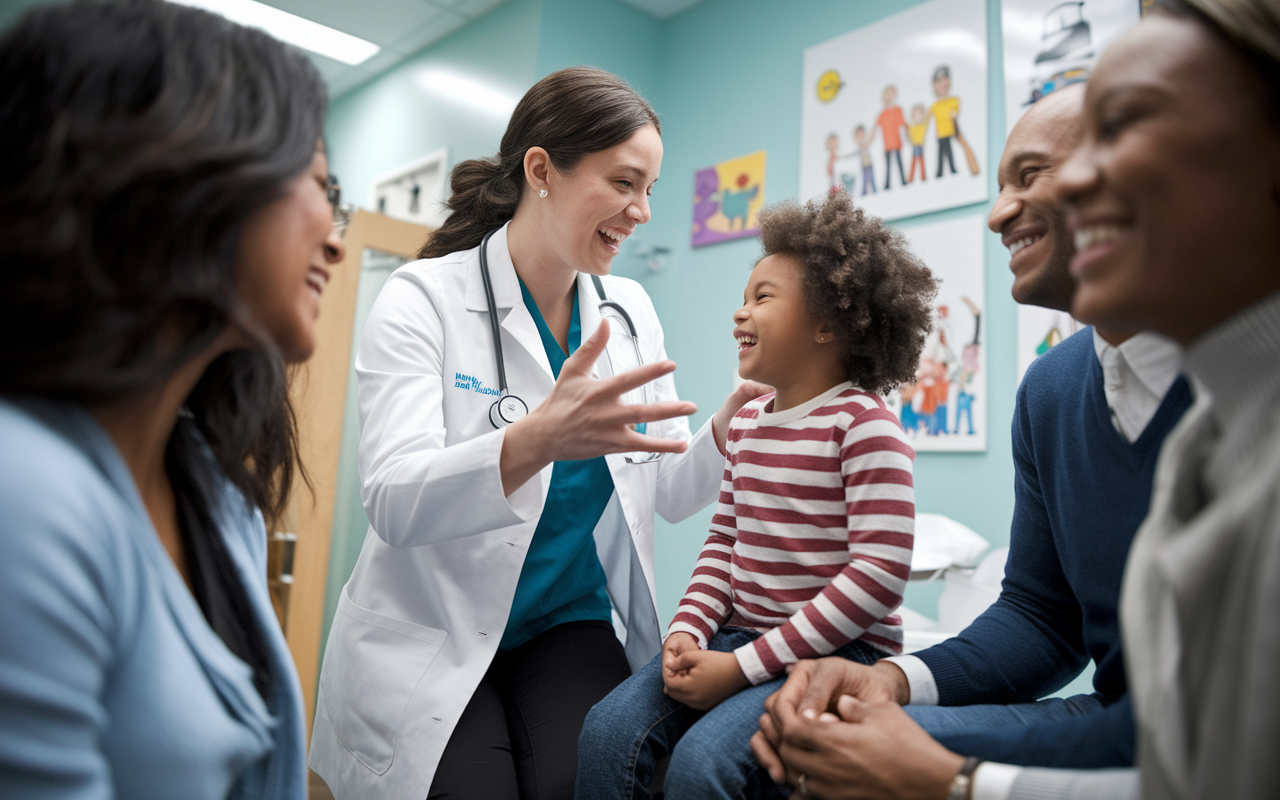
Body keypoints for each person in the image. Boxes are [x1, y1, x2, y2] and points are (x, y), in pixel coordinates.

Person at [308, 67, 768, 799]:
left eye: (650, 188)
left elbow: (668, 488)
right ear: (541, 170)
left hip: (565, 621)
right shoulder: (423, 298)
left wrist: (728, 424)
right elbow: (392, 499)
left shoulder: (629, 308)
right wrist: (536, 442)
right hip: (431, 626)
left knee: (594, 777)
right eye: (624, 183)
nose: (642, 210)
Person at [750, 79, 1192, 799]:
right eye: (996, 185)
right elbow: (1043, 615)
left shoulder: (1241, 380)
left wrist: (955, 780)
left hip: (1207, 743)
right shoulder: (1050, 392)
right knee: (798, 743)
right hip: (1120, 720)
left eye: (1030, 175)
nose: (997, 215)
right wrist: (888, 679)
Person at [0, 1, 343, 797]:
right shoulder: (26, 493)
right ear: (189, 180)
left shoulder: (216, 489)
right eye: (319, 186)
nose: (334, 235)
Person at [576, 191, 937, 800]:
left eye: (762, 299)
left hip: (837, 652)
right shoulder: (746, 425)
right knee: (605, 732)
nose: (739, 314)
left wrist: (740, 668)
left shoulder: (863, 424)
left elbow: (880, 574)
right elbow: (725, 543)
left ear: (830, 323)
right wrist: (688, 632)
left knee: (701, 768)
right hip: (739, 635)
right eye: (742, 299)